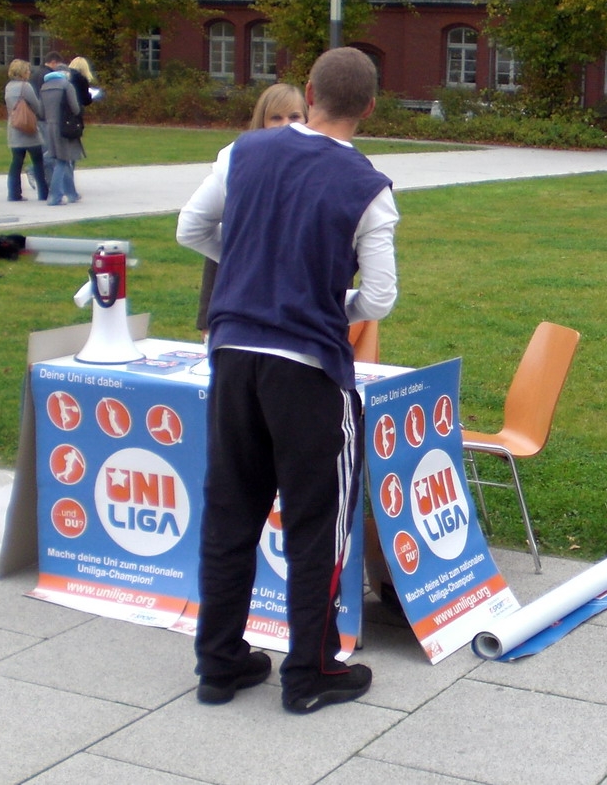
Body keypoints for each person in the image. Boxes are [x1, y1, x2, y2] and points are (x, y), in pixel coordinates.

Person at [176, 47, 399, 714]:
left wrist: (251, 269)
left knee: (230, 512)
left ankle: (219, 662)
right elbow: (381, 297)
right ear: (369, 107)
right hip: (305, 367)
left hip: (234, 353)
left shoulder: (242, 152)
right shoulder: (368, 185)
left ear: (308, 91)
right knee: (315, 520)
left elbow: (192, 228)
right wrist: (329, 302)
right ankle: (311, 670)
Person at [195, 83, 308, 335]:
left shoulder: (320, 166)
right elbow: (199, 229)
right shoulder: (236, 160)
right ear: (262, 121)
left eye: (294, 117)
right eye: (276, 118)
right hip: (242, 299)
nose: (285, 125)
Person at [39, 60, 84, 206]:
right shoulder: (67, 86)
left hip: (49, 127)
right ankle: (55, 196)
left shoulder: (44, 87)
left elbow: (40, 112)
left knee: (60, 160)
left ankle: (72, 193)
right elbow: (75, 108)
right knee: (63, 160)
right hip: (63, 127)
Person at [4, 59, 49, 201]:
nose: (29, 72)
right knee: (38, 162)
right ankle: (43, 193)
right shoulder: (26, 87)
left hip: (14, 128)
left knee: (16, 162)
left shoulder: (9, 87)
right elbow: (36, 106)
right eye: (27, 70)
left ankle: (14, 194)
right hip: (28, 129)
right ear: (23, 72)